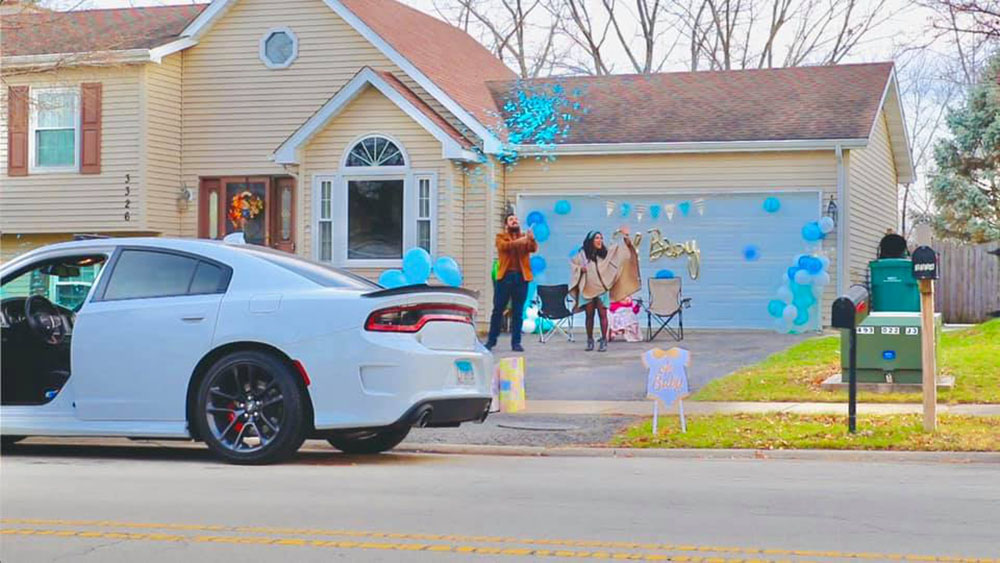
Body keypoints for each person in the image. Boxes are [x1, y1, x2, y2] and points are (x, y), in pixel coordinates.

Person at [569, 227, 640, 352]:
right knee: (589, 315)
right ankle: (590, 340)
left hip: (602, 289)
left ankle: (603, 340)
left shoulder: (606, 254)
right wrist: (580, 269)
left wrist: (626, 237)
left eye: (601, 238)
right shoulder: (582, 255)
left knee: (603, 315)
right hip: (587, 289)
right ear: (591, 240)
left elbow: (624, 251)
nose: (600, 240)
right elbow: (574, 265)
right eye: (597, 238)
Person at [485, 213, 538, 352]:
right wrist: (522, 241)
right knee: (498, 310)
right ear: (506, 225)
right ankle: (491, 341)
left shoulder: (524, 237)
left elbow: (532, 248)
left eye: (515, 219)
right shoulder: (500, 237)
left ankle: (516, 343)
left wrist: (532, 239)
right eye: (511, 220)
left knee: (518, 311)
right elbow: (504, 247)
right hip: (505, 277)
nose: (514, 221)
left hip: (521, 278)